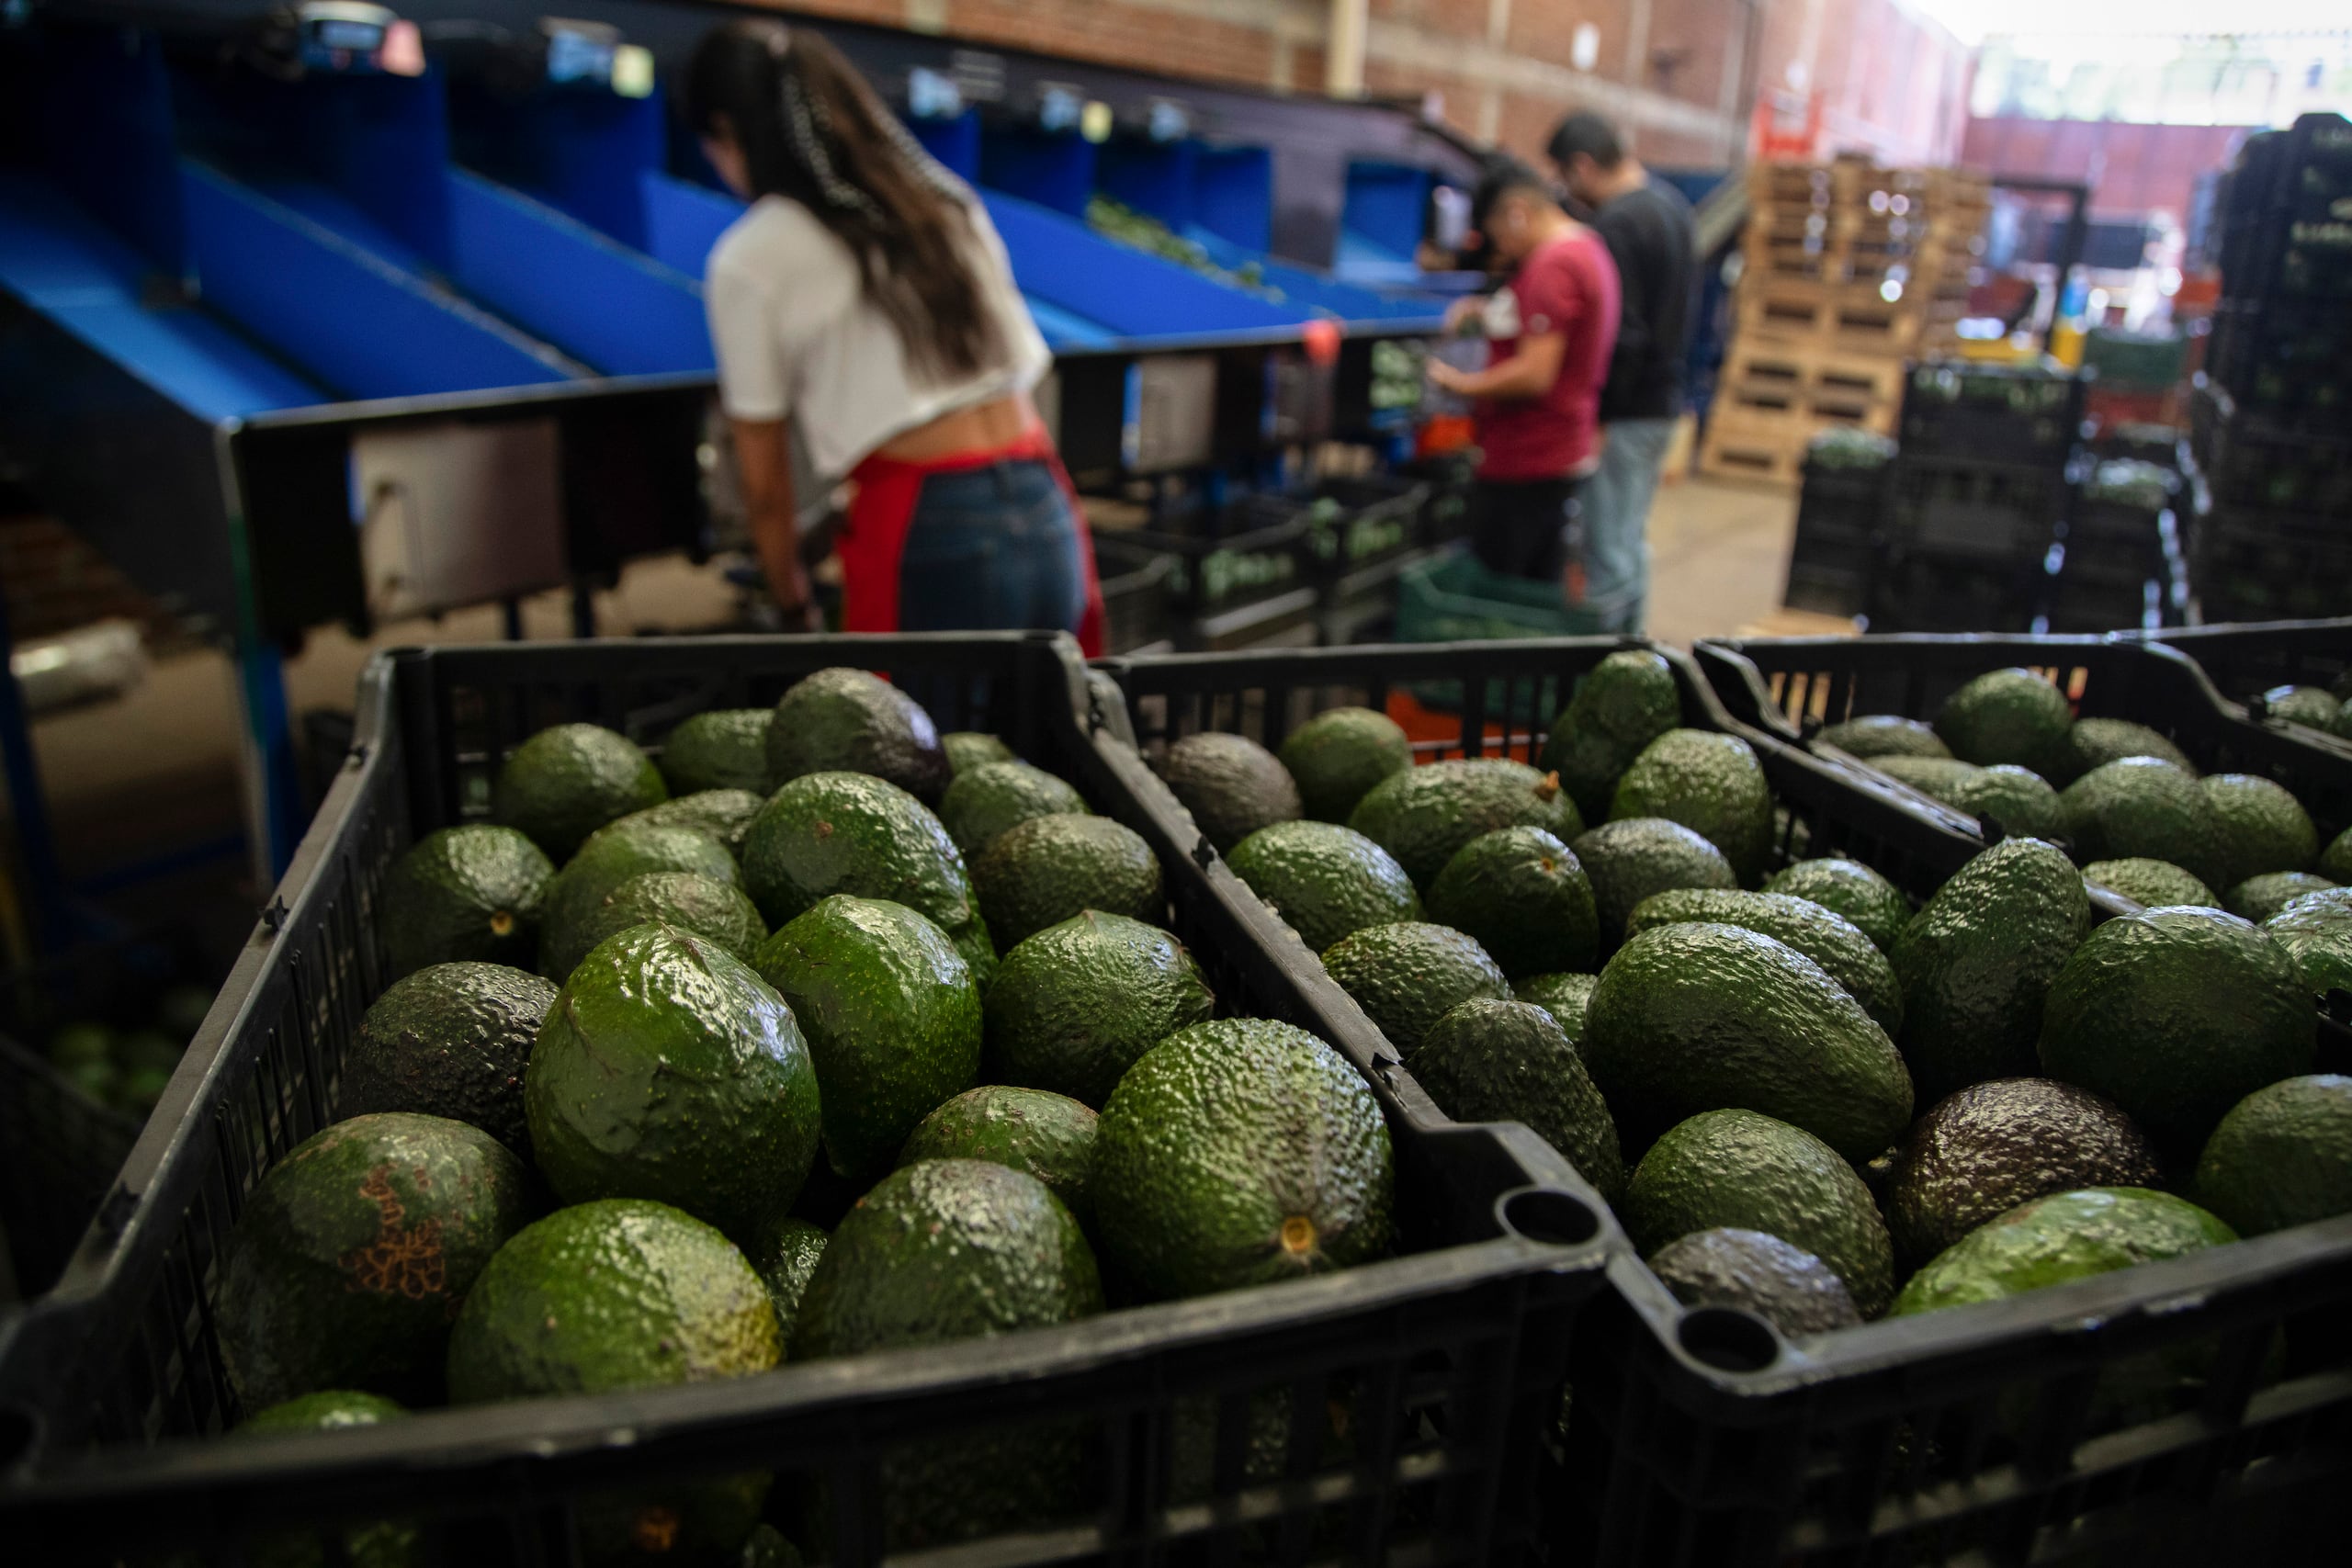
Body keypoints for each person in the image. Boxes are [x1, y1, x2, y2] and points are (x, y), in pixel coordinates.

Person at [686, 20, 1100, 647]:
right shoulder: (940, 204)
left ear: (725, 130)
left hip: (929, 525)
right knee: (1039, 735)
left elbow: (766, 490)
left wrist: (792, 605)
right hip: (1045, 503)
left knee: (921, 744)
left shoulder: (751, 256)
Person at [1427, 163, 1621, 585]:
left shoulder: (1553, 266)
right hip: (1562, 449)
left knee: (1506, 591)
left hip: (1527, 458)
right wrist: (1484, 311)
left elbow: (1536, 374)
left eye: (1497, 232)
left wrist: (1456, 382)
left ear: (1517, 212)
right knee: (1537, 579)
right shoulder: (1588, 247)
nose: (1504, 248)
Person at [1547, 111, 1697, 634]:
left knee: (1607, 546)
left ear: (1582, 167)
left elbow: (1624, 335)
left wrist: (1601, 417)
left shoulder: (1619, 223)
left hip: (1629, 410)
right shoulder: (1671, 207)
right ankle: (1633, 655)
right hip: (1662, 403)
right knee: (1628, 540)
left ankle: (1611, 673)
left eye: (1567, 178)